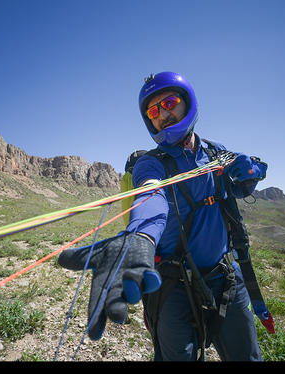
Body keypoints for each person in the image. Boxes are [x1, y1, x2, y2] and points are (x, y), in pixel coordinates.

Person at [58, 71, 268, 361]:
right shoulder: (150, 164)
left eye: (169, 102)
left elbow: (242, 185)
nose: (162, 115)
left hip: (226, 277)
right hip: (172, 286)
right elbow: (150, 195)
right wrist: (139, 236)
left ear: (187, 102)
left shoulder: (216, 151)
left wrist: (253, 171)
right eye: (153, 111)